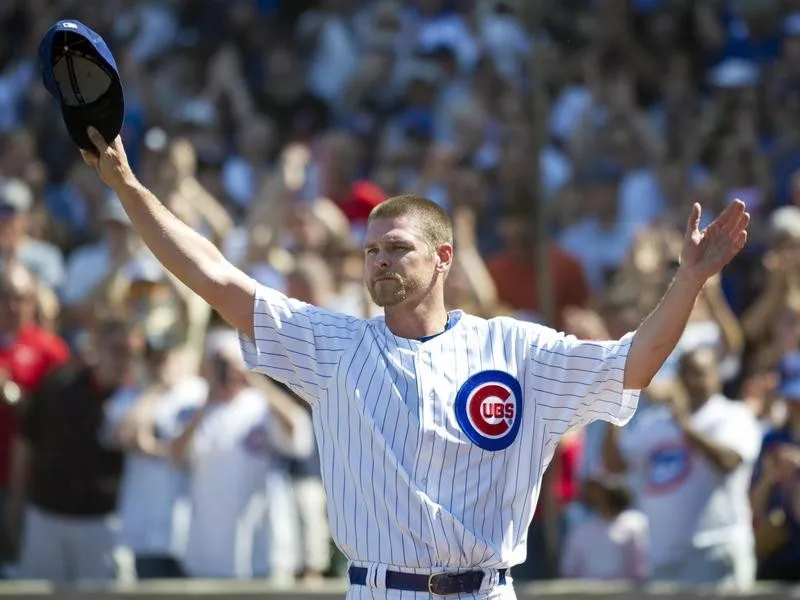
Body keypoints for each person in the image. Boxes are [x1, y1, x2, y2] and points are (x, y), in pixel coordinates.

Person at [80, 127, 749, 599]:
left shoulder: (516, 350)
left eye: (396, 248)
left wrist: (688, 282)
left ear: (444, 258)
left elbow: (634, 365)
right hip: (380, 592)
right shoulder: (334, 347)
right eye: (371, 250)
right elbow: (214, 276)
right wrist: (129, 187)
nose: (379, 261)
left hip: (489, 590)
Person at [604, 347, 763, 590]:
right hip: (663, 557)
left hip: (714, 550)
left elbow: (729, 461)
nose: (690, 381)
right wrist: (616, 409)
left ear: (717, 378)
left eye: (699, 373)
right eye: (684, 373)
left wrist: (685, 426)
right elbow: (614, 465)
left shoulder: (733, 415)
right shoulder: (655, 422)